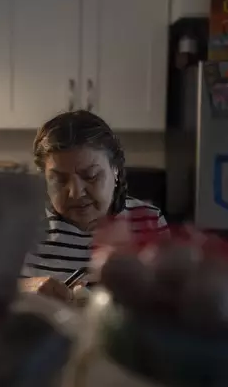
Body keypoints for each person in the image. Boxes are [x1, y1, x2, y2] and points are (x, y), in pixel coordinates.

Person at [20, 111, 168, 293]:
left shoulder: (148, 220)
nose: (75, 193)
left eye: (91, 176)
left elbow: (168, 296)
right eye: (59, 180)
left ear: (115, 170)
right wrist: (27, 287)